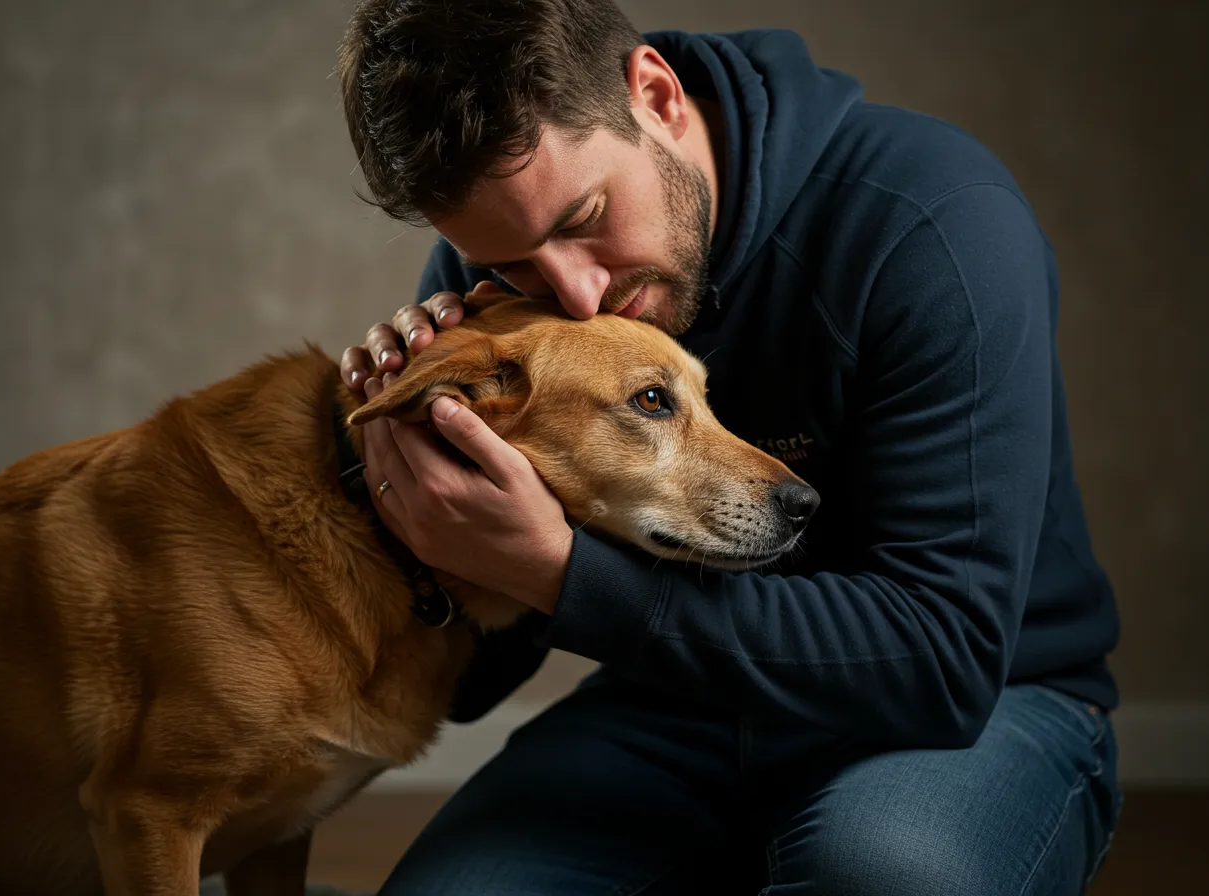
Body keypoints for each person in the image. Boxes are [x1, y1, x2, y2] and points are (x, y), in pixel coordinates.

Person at [333, 1, 1123, 893]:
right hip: (672, 703)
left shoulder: (936, 221)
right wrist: (421, 504)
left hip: (970, 710)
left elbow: (942, 665)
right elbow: (471, 685)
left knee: (885, 877)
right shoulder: (502, 288)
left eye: (584, 215)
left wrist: (557, 571)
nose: (575, 295)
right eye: (510, 267)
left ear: (657, 97)